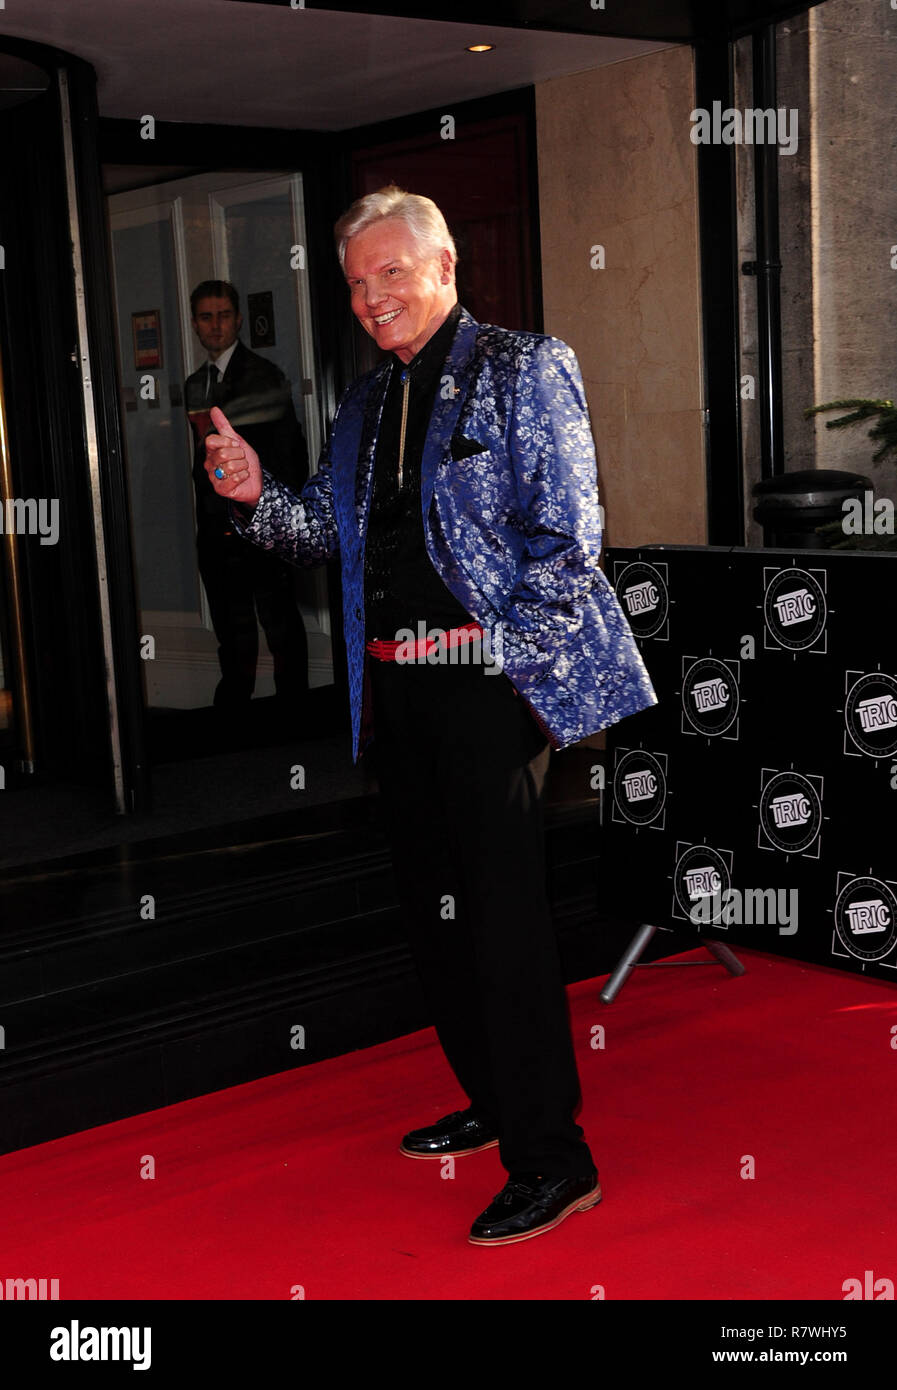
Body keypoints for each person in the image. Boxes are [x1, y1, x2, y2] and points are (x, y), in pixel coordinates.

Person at [203, 187, 658, 1246]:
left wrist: (507, 673)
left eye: (390, 274)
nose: (372, 299)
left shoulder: (520, 365)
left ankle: (554, 1158)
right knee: (437, 917)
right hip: (391, 692)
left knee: (503, 923)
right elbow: (319, 530)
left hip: (485, 689)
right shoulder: (363, 405)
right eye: (358, 284)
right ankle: (493, 1101)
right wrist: (253, 490)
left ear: (444, 266)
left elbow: (568, 537)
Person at [185, 279, 310, 713]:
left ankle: (294, 712)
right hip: (215, 526)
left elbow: (287, 454)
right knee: (230, 624)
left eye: (223, 315)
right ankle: (234, 713)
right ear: (196, 324)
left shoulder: (263, 376)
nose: (215, 325)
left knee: (278, 621)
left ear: (238, 320)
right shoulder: (193, 384)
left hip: (259, 523)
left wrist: (278, 521)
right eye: (206, 317)